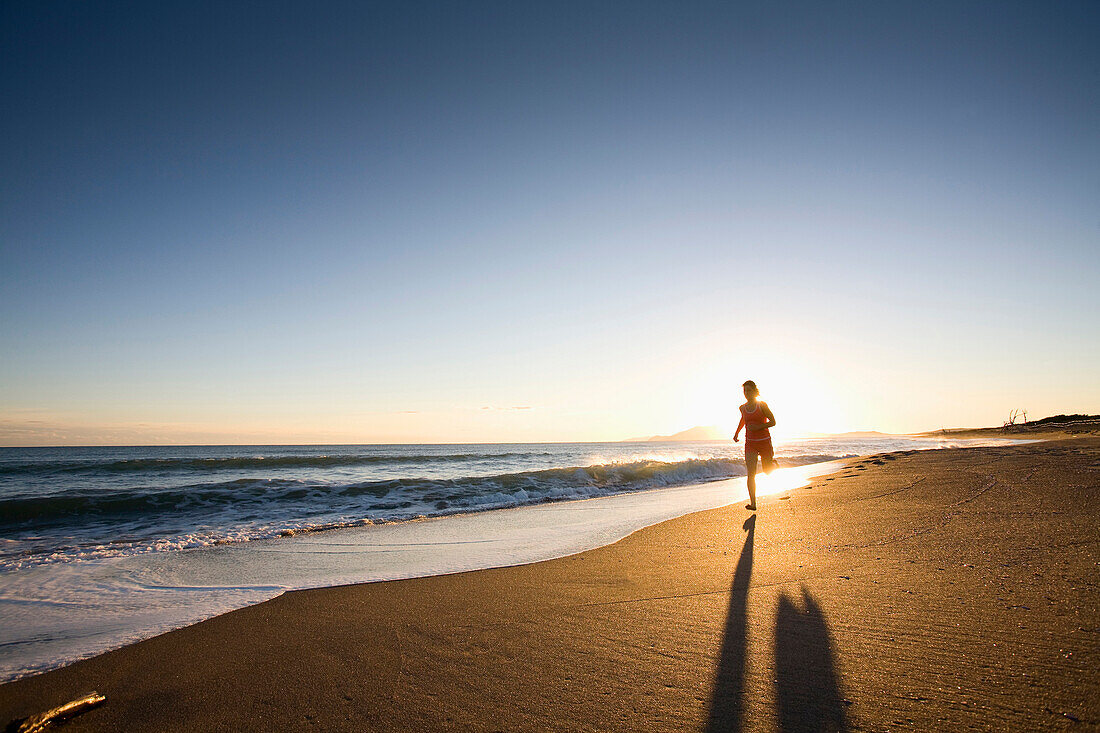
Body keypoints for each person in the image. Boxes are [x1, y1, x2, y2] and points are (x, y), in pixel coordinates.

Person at [732, 379, 776, 511]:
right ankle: (753, 503)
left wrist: (758, 427)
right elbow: (743, 420)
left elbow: (773, 422)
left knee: (767, 471)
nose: (746, 393)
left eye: (749, 390)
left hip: (764, 442)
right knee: (751, 474)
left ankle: (774, 464)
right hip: (750, 443)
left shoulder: (762, 405)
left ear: (754, 391)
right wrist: (736, 433)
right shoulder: (742, 408)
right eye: (744, 391)